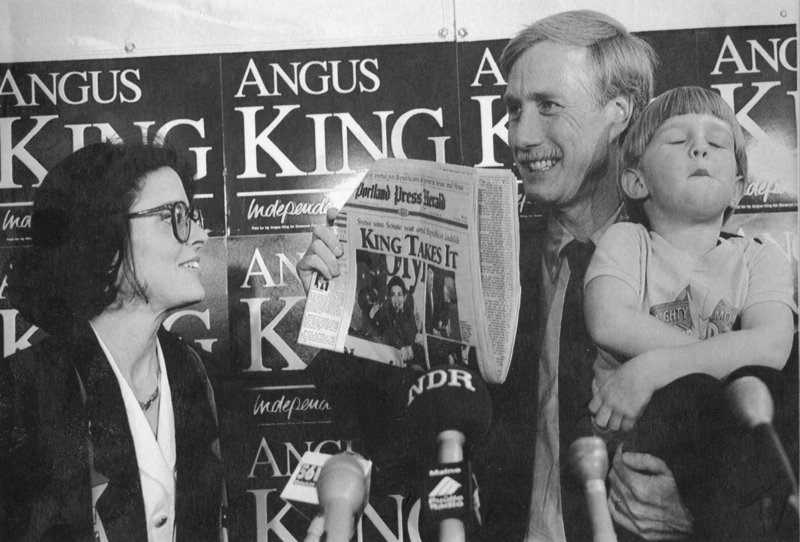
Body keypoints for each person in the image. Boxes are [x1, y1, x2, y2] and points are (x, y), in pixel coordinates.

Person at [296, 10, 698, 541]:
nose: (522, 135)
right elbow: (394, 443)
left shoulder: (702, 260)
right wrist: (335, 314)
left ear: (619, 112)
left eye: (548, 107)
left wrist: (701, 504)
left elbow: (767, 445)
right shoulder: (487, 261)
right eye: (513, 110)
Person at [583, 86, 797, 538]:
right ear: (637, 181)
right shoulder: (628, 242)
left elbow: (773, 347)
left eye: (717, 143)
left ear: (737, 188)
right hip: (646, 448)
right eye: (679, 141)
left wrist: (653, 368)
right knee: (695, 390)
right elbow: (608, 319)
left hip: (732, 460)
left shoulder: (760, 255)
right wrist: (717, 357)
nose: (700, 147)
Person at [0, 142, 226, 541]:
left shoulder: (195, 375)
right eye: (175, 216)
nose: (201, 235)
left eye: (191, 216)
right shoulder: (21, 394)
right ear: (105, 241)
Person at [374, 276, 423, 365]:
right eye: (393, 295)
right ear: (389, 297)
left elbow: (413, 337)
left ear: (405, 296)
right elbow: (387, 332)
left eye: (399, 294)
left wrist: (417, 335)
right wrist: (401, 347)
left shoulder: (409, 314)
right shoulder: (386, 313)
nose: (396, 299)